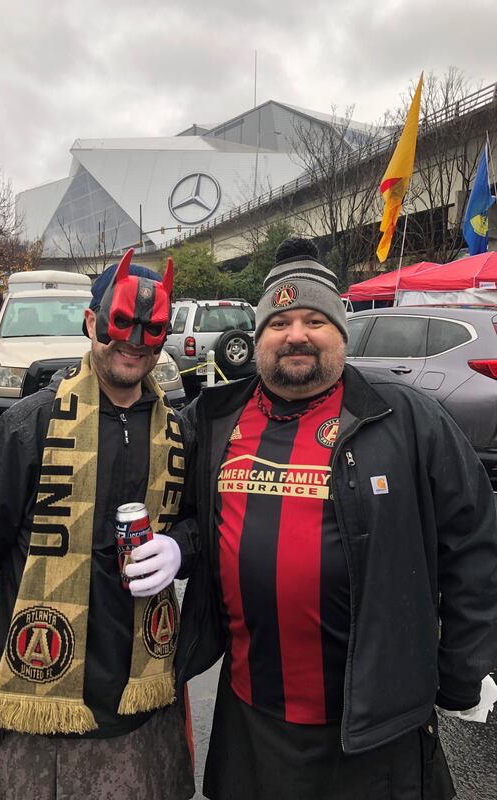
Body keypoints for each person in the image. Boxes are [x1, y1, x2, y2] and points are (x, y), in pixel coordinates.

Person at [178, 236, 497, 800]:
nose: (295, 334)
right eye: (278, 322)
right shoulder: (214, 420)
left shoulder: (406, 419)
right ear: (259, 338)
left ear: (341, 333)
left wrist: (466, 665)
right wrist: (178, 547)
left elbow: (474, 541)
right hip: (252, 719)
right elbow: (181, 517)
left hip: (373, 731)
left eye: (313, 320)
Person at [0, 249, 197, 800]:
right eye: (120, 323)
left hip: (141, 701)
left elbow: (204, 525)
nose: (134, 341)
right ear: (91, 322)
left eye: (151, 329)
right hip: (38, 705)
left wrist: (181, 547)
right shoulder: (29, 425)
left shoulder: (179, 435)